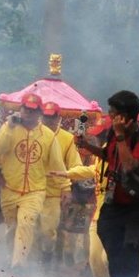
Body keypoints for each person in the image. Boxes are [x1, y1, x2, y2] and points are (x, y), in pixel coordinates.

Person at [76, 90, 139, 277]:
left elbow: (130, 165)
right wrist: (88, 146)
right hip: (114, 204)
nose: (110, 117)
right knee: (113, 252)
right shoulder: (113, 133)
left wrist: (121, 136)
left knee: (130, 249)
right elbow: (110, 158)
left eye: (113, 113)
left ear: (126, 116)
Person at [0, 93, 68, 269]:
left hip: (35, 191)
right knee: (11, 230)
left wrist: (65, 187)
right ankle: (13, 258)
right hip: (9, 188)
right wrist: (9, 127)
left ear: (39, 113)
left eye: (33, 110)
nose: (29, 113)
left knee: (26, 223)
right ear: (21, 109)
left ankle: (18, 265)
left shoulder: (48, 135)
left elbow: (57, 163)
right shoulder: (8, 127)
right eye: (26, 109)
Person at [39, 101, 85, 267]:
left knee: (48, 231)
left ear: (58, 118)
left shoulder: (67, 139)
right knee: (28, 228)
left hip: (54, 192)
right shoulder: (32, 132)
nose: (48, 120)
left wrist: (68, 186)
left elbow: (75, 165)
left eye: (52, 117)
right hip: (29, 189)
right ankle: (29, 268)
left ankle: (46, 263)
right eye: (45, 116)